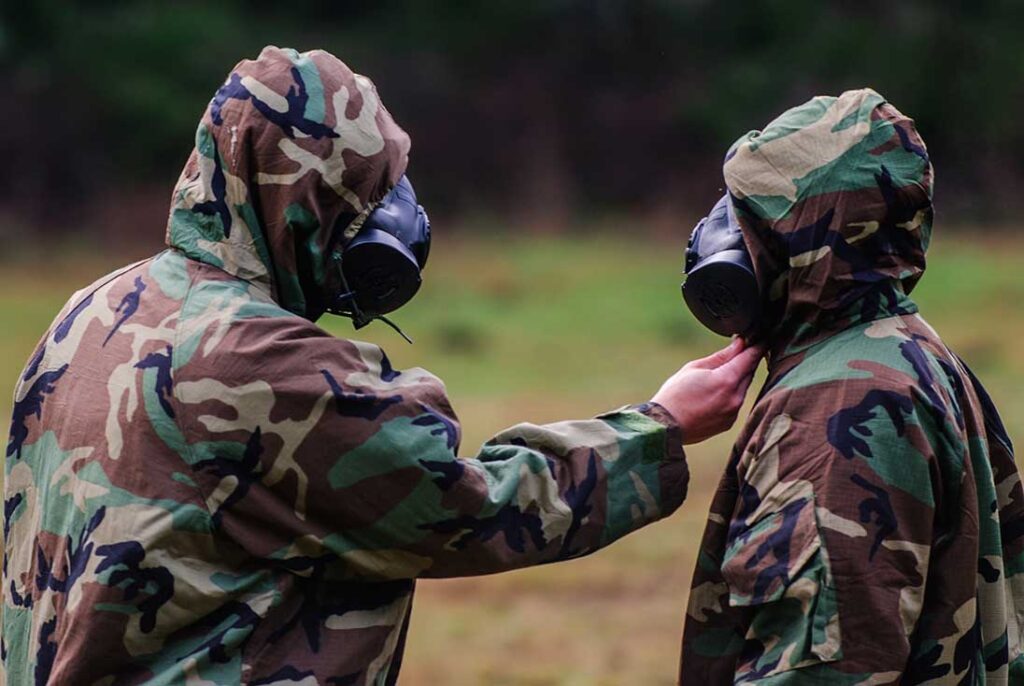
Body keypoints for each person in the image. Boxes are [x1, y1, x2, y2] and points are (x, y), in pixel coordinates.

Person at [2, 47, 762, 685]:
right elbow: (465, 509)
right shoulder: (260, 360)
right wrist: (658, 426)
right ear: (311, 194)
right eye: (370, 190)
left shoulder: (92, 309)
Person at [678, 88, 1024, 683]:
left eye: (746, 212)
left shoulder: (832, 412)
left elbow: (824, 668)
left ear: (799, 239)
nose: (717, 230)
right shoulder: (907, 348)